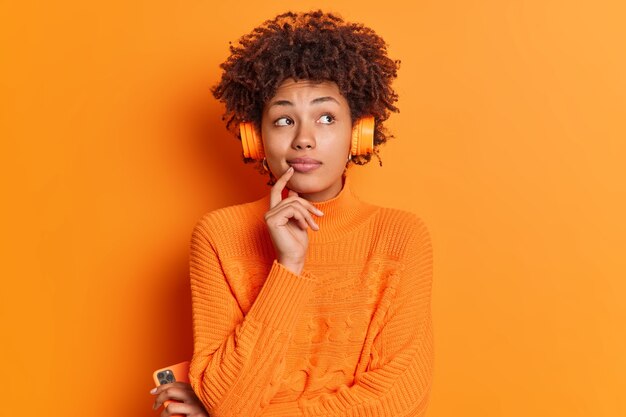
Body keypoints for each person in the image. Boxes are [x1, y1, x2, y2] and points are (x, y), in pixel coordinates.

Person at [151, 10, 433, 417]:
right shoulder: (219, 235)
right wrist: (289, 266)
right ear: (256, 138)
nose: (304, 139)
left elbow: (396, 402)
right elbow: (229, 400)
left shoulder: (399, 236)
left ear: (359, 133)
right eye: (284, 119)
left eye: (326, 118)